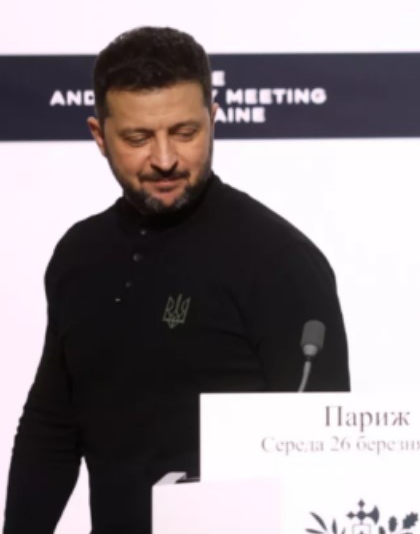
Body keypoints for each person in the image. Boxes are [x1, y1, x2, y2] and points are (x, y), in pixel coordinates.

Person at [4, 27, 350, 534]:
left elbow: (324, 451)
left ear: (213, 120)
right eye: (138, 138)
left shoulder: (280, 261)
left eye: (185, 133)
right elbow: (52, 428)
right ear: (99, 136)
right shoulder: (79, 254)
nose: (165, 159)